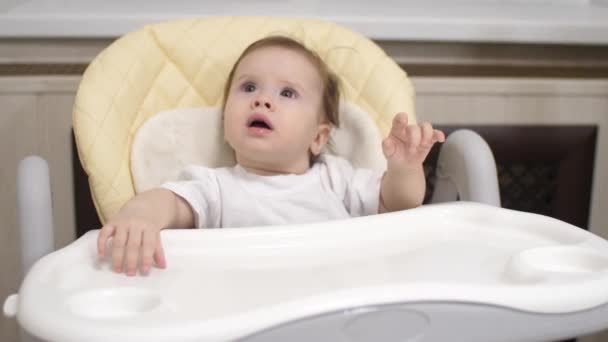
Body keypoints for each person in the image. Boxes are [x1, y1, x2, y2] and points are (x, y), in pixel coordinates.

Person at [97, 36, 445, 276]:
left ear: (318, 137)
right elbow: (169, 203)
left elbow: (398, 205)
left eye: (288, 92)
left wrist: (405, 168)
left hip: (337, 301)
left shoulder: (336, 178)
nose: (262, 100)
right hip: (251, 310)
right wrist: (140, 217)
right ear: (225, 123)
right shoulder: (215, 186)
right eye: (249, 87)